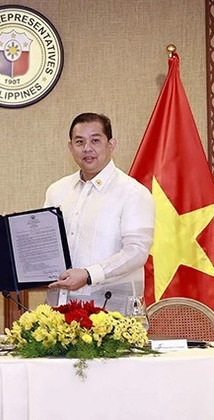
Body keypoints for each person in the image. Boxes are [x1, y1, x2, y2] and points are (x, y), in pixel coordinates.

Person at [45, 113, 155, 312]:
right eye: (79, 142)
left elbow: (136, 251)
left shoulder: (133, 192)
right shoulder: (57, 191)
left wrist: (89, 274)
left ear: (111, 145)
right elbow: (46, 245)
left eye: (95, 140)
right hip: (57, 311)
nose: (87, 148)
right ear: (71, 147)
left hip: (112, 313)